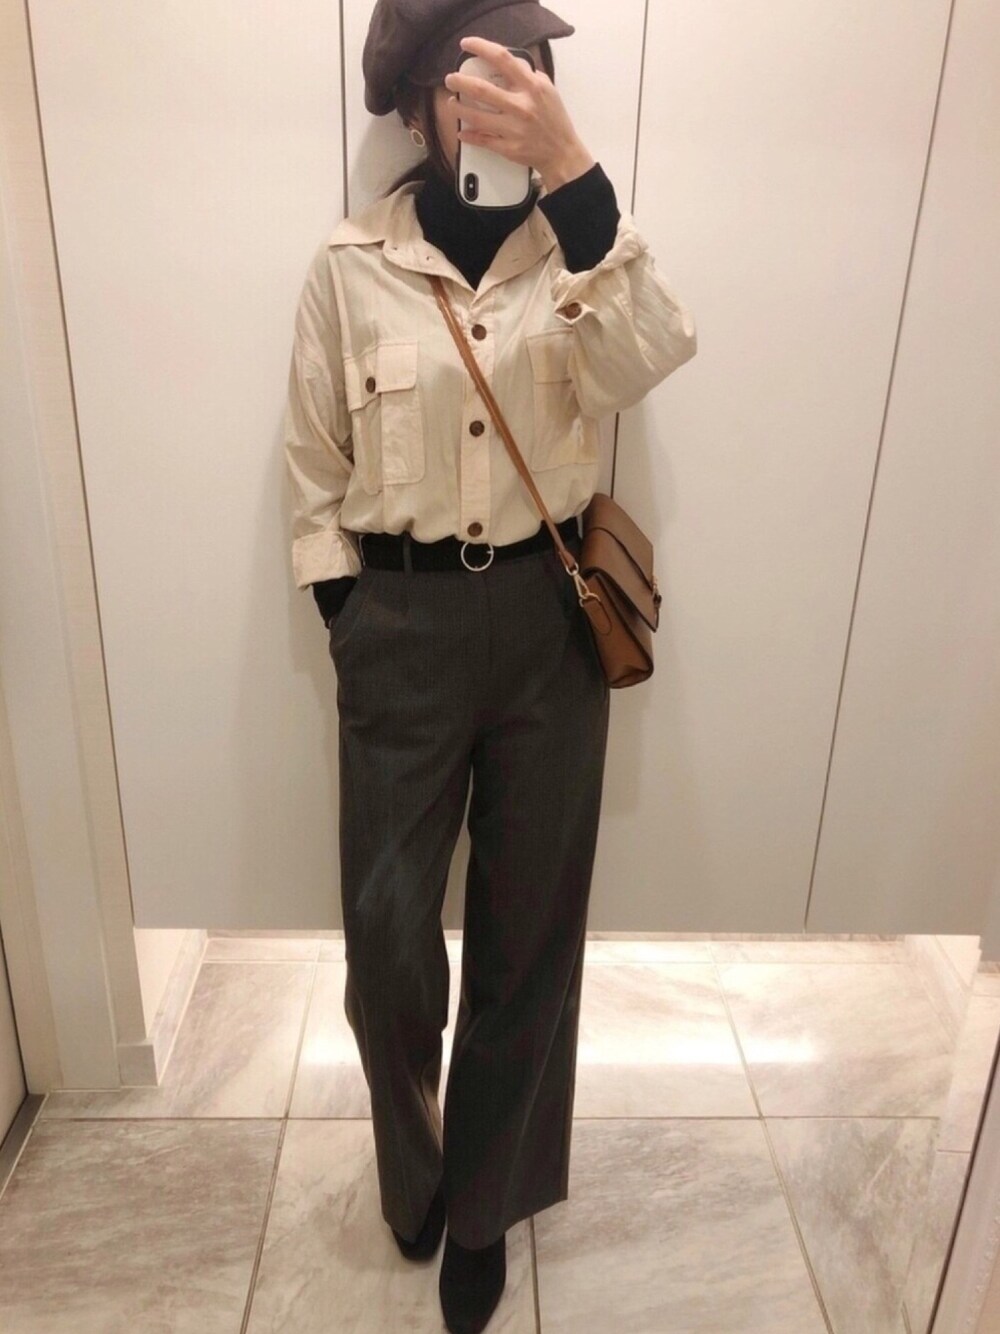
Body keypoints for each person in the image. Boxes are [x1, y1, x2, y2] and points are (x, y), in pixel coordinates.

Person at [283, 3, 698, 1330]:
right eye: (479, 75)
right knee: (386, 943)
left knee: (530, 937)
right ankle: (414, 1168)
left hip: (544, 627)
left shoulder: (580, 249)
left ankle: (480, 1206)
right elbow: (311, 464)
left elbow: (651, 356)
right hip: (400, 629)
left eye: (532, 71)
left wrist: (581, 179)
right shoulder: (349, 266)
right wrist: (350, 612)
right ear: (419, 104)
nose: (510, 95)